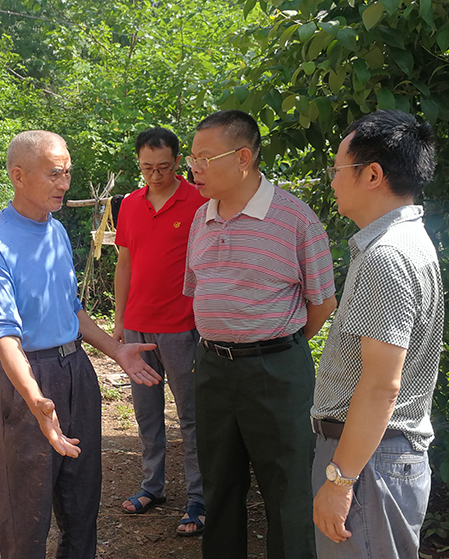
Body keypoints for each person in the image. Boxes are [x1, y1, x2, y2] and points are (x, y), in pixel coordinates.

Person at [0, 130, 161, 559]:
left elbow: (72, 311)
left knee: (81, 501)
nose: (64, 183)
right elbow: (4, 337)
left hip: (76, 371)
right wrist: (35, 398)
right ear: (18, 176)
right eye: (55, 174)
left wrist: (117, 351)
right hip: (27, 379)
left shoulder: (55, 232)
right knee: (26, 510)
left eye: (68, 173)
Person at [183, 110, 337, 559]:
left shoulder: (295, 220)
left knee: (287, 490)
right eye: (192, 157)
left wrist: (275, 347)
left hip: (276, 371)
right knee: (219, 485)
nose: (194, 167)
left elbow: (322, 302)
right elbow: (199, 291)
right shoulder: (200, 219)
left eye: (204, 158)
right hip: (212, 367)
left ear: (244, 157)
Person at [311, 109, 443, 559]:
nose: (332, 179)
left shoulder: (387, 255)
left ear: (372, 174)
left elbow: (381, 385)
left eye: (337, 168)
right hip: (375, 457)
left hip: (367, 462)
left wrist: (340, 479)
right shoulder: (407, 241)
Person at [113, 127, 207, 535]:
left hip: (184, 326)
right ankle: (153, 486)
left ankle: (199, 497)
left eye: (164, 167)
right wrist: (119, 320)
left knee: (191, 416)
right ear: (139, 163)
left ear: (178, 161)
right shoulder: (130, 205)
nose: (155, 175)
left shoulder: (199, 201)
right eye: (147, 168)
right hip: (138, 327)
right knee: (146, 412)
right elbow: (124, 264)